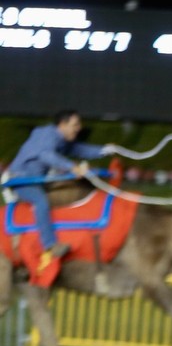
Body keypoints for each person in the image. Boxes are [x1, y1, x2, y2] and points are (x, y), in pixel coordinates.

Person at [5, 109, 112, 261]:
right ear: (62, 124)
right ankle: (50, 245)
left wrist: (104, 150)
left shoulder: (61, 140)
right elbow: (46, 155)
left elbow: (80, 149)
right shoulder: (46, 134)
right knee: (40, 201)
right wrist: (72, 167)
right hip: (22, 180)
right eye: (75, 124)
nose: (79, 128)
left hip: (39, 180)